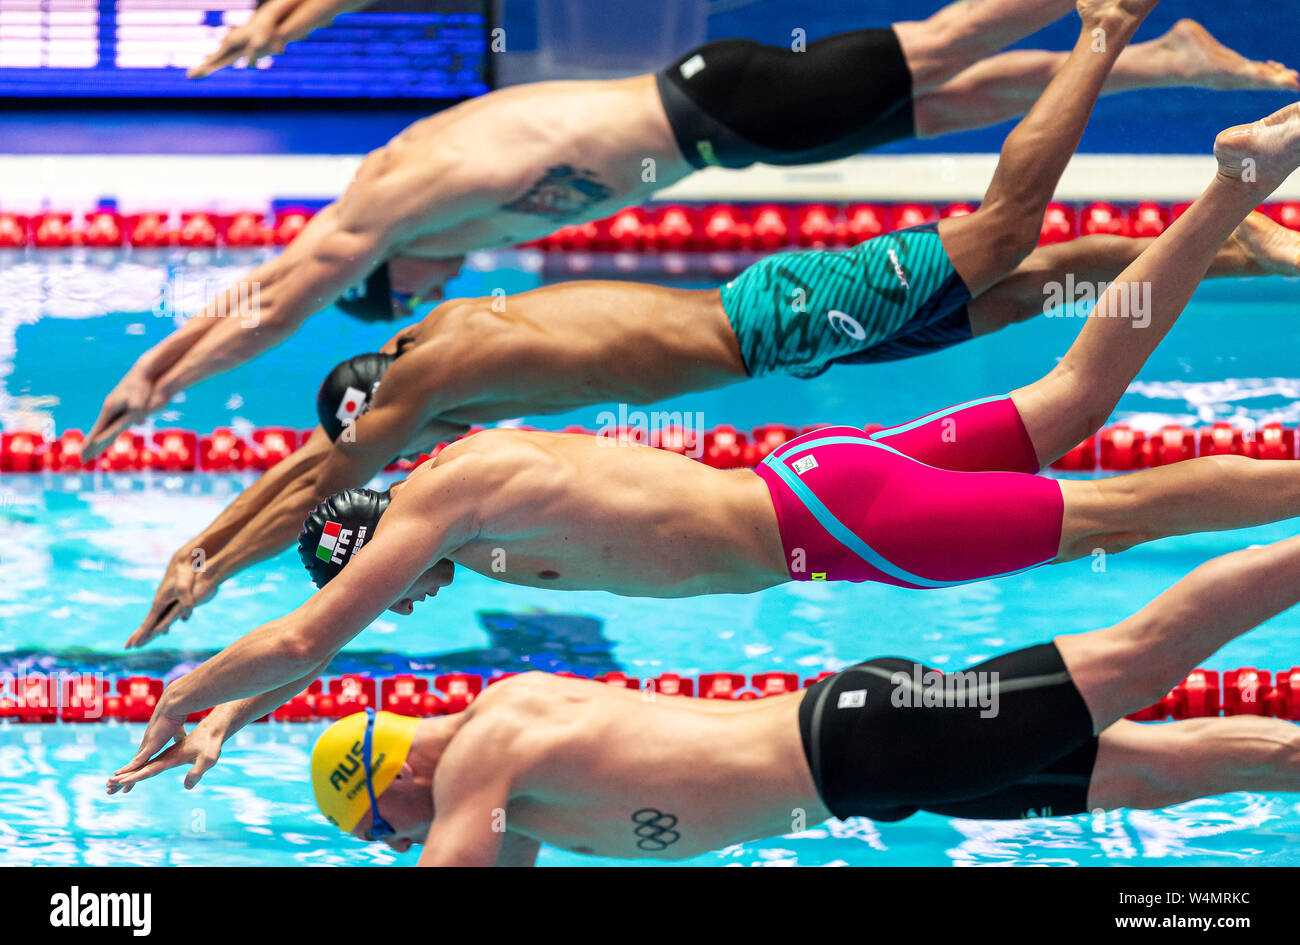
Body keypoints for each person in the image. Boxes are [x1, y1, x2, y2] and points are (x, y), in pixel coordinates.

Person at [107, 96, 1300, 777]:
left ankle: (1142, 95)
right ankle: (1232, 189)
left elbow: (317, 622)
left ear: (378, 542)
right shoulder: (471, 481)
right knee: (1076, 396)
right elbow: (322, 521)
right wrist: (226, 639)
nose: (403, 609)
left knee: (1128, 506)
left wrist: (189, 694)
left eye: (390, 589)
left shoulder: (447, 493)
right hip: (818, 478)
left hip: (840, 525)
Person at [127, 0, 1291, 645]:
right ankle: (1243, 239)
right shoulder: (455, 382)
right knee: (1029, 286)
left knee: (999, 231)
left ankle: (1102, 30)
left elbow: (310, 476)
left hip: (768, 323)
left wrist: (216, 559)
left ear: (374, 388)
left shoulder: (430, 375)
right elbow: (312, 474)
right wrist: (214, 552)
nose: (370, 447)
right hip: (783, 339)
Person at [82, 0, 1295, 460]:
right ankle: (1141, 59)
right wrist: (284, 19)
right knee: (938, 90)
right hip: (725, 116)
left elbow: (279, 292)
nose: (427, 294)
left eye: (404, 295)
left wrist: (160, 370)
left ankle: (1117, 37)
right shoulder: (434, 198)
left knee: (947, 69)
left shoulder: (393, 205)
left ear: (388, 271)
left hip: (714, 107)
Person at [111, 533, 1300, 865]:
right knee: (1161, 766)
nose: (397, 843)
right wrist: (243, 711)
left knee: (1148, 646)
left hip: (874, 735)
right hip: (880, 773)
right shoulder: (511, 795)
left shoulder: (494, 745)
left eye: (382, 829)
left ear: (397, 777)